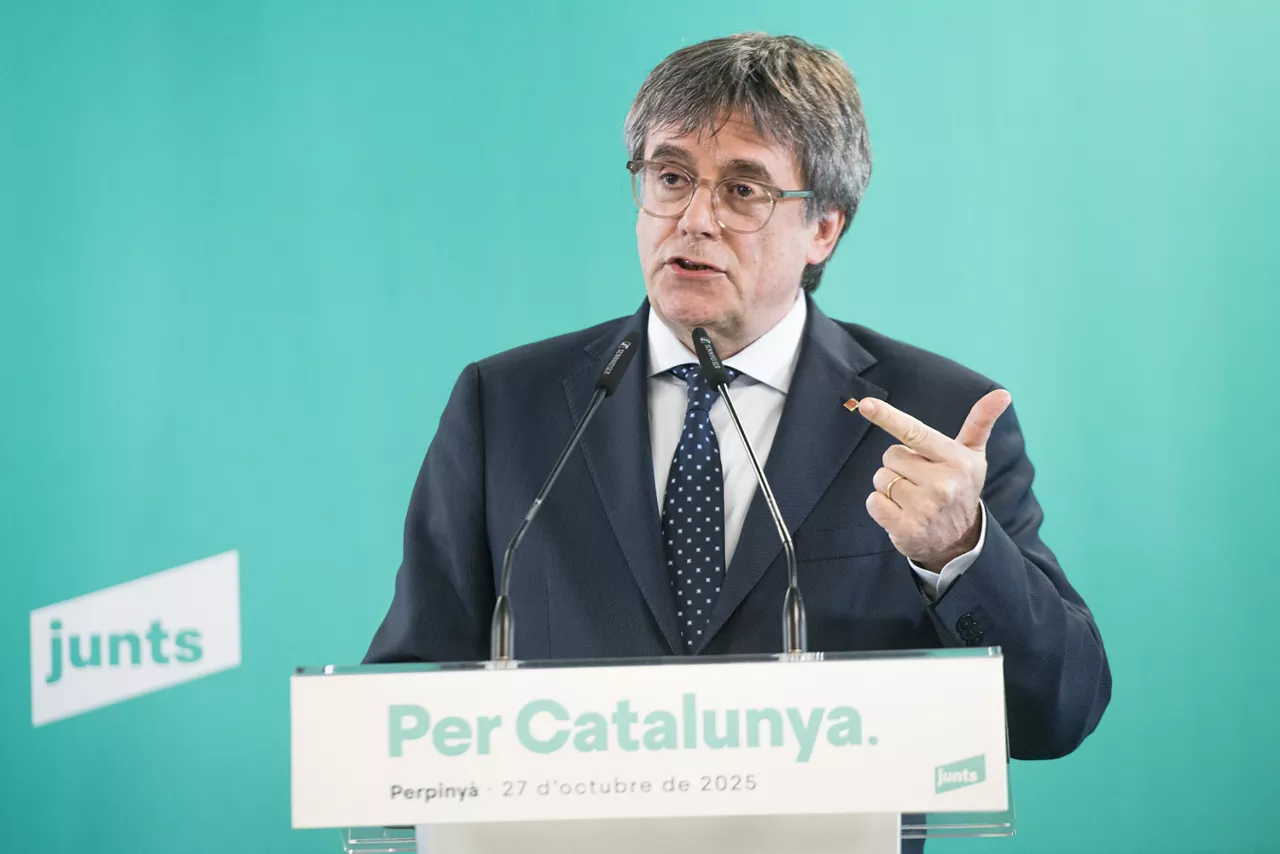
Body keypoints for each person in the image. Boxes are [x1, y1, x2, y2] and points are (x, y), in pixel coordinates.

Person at [365, 32, 1110, 773]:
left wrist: (958, 551)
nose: (693, 218)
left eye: (743, 189)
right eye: (670, 177)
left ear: (824, 227)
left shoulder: (938, 420)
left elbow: (1059, 710)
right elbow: (411, 694)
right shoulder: (506, 406)